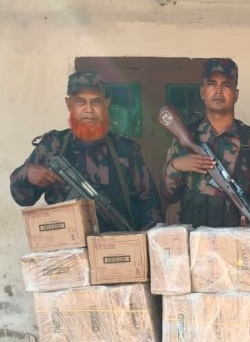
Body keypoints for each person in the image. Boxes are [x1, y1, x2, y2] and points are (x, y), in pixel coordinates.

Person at [10, 70, 163, 231]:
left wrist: (145, 238)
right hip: (67, 243)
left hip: (118, 242)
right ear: (69, 104)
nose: (89, 109)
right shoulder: (52, 146)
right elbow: (23, 199)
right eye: (80, 102)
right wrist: (26, 174)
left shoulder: (125, 149)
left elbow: (149, 200)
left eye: (96, 101)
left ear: (106, 104)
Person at [160, 58, 250, 227]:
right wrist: (176, 166)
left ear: (236, 94)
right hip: (195, 237)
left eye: (226, 84)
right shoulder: (186, 137)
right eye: (212, 84)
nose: (219, 91)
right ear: (202, 92)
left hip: (241, 238)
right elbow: (167, 195)